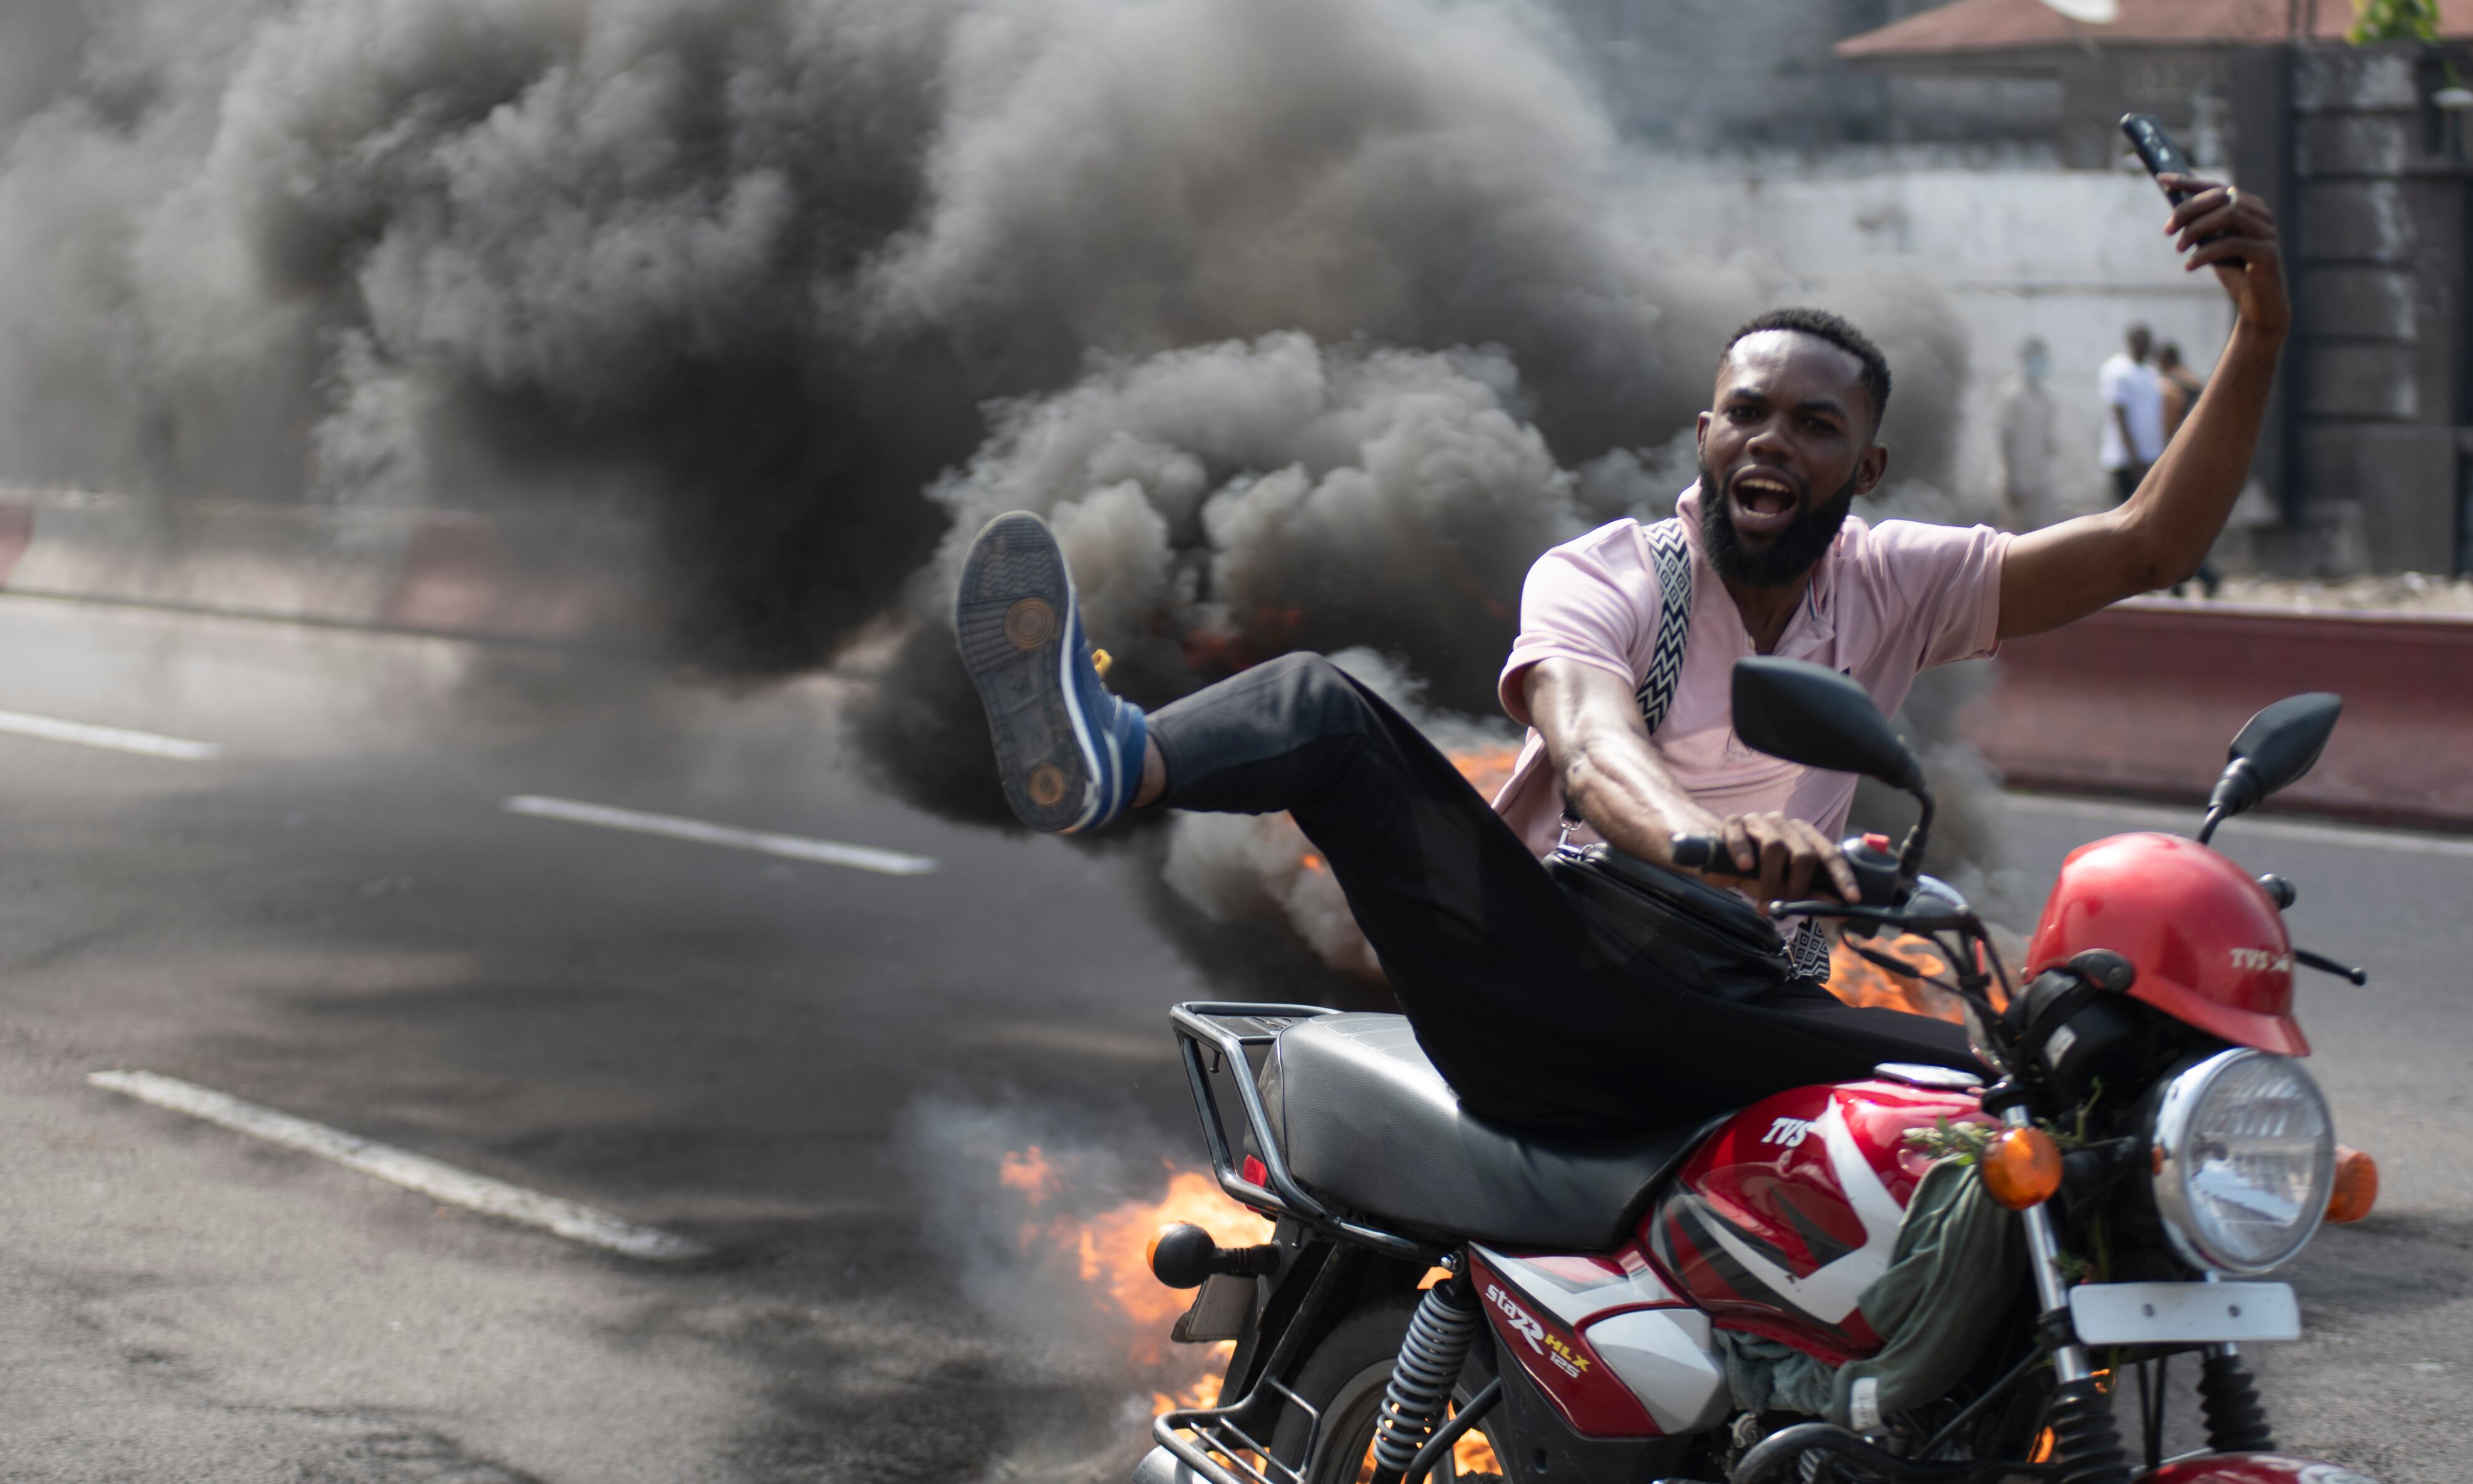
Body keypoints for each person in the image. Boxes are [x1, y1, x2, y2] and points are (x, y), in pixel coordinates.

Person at [952, 174, 2286, 1134]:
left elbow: (2143, 543)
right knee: (1324, 707)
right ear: (1704, 432)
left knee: (2032, 1084)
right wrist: (1707, 843)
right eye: (1747, 413)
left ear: (1865, 464)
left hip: (1737, 1005)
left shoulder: (1895, 579)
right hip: (1536, 978)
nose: (1774, 440)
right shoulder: (1605, 571)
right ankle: (1115, 753)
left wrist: (2260, 328)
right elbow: (1594, 753)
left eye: (1814, 426)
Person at [2155, 341, 2222, 597]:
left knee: (2173, 527)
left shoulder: (2169, 387)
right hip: (2202, 461)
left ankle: (2200, 578)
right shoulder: (2193, 382)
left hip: (2180, 464)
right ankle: (2185, 581)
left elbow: (2169, 429)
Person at [1997, 336, 2060, 532]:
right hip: (2015, 478)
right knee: (2013, 536)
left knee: (2041, 535)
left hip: (2041, 478)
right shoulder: (2011, 394)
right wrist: (2010, 480)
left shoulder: (2049, 395)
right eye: (2034, 359)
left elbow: (2048, 436)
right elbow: (2005, 438)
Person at [2099, 323, 2164, 505]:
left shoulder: (2150, 372)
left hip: (2150, 457)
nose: (2143, 346)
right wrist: (2134, 459)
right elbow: (2119, 416)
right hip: (2126, 461)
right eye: (2139, 342)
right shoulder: (2117, 370)